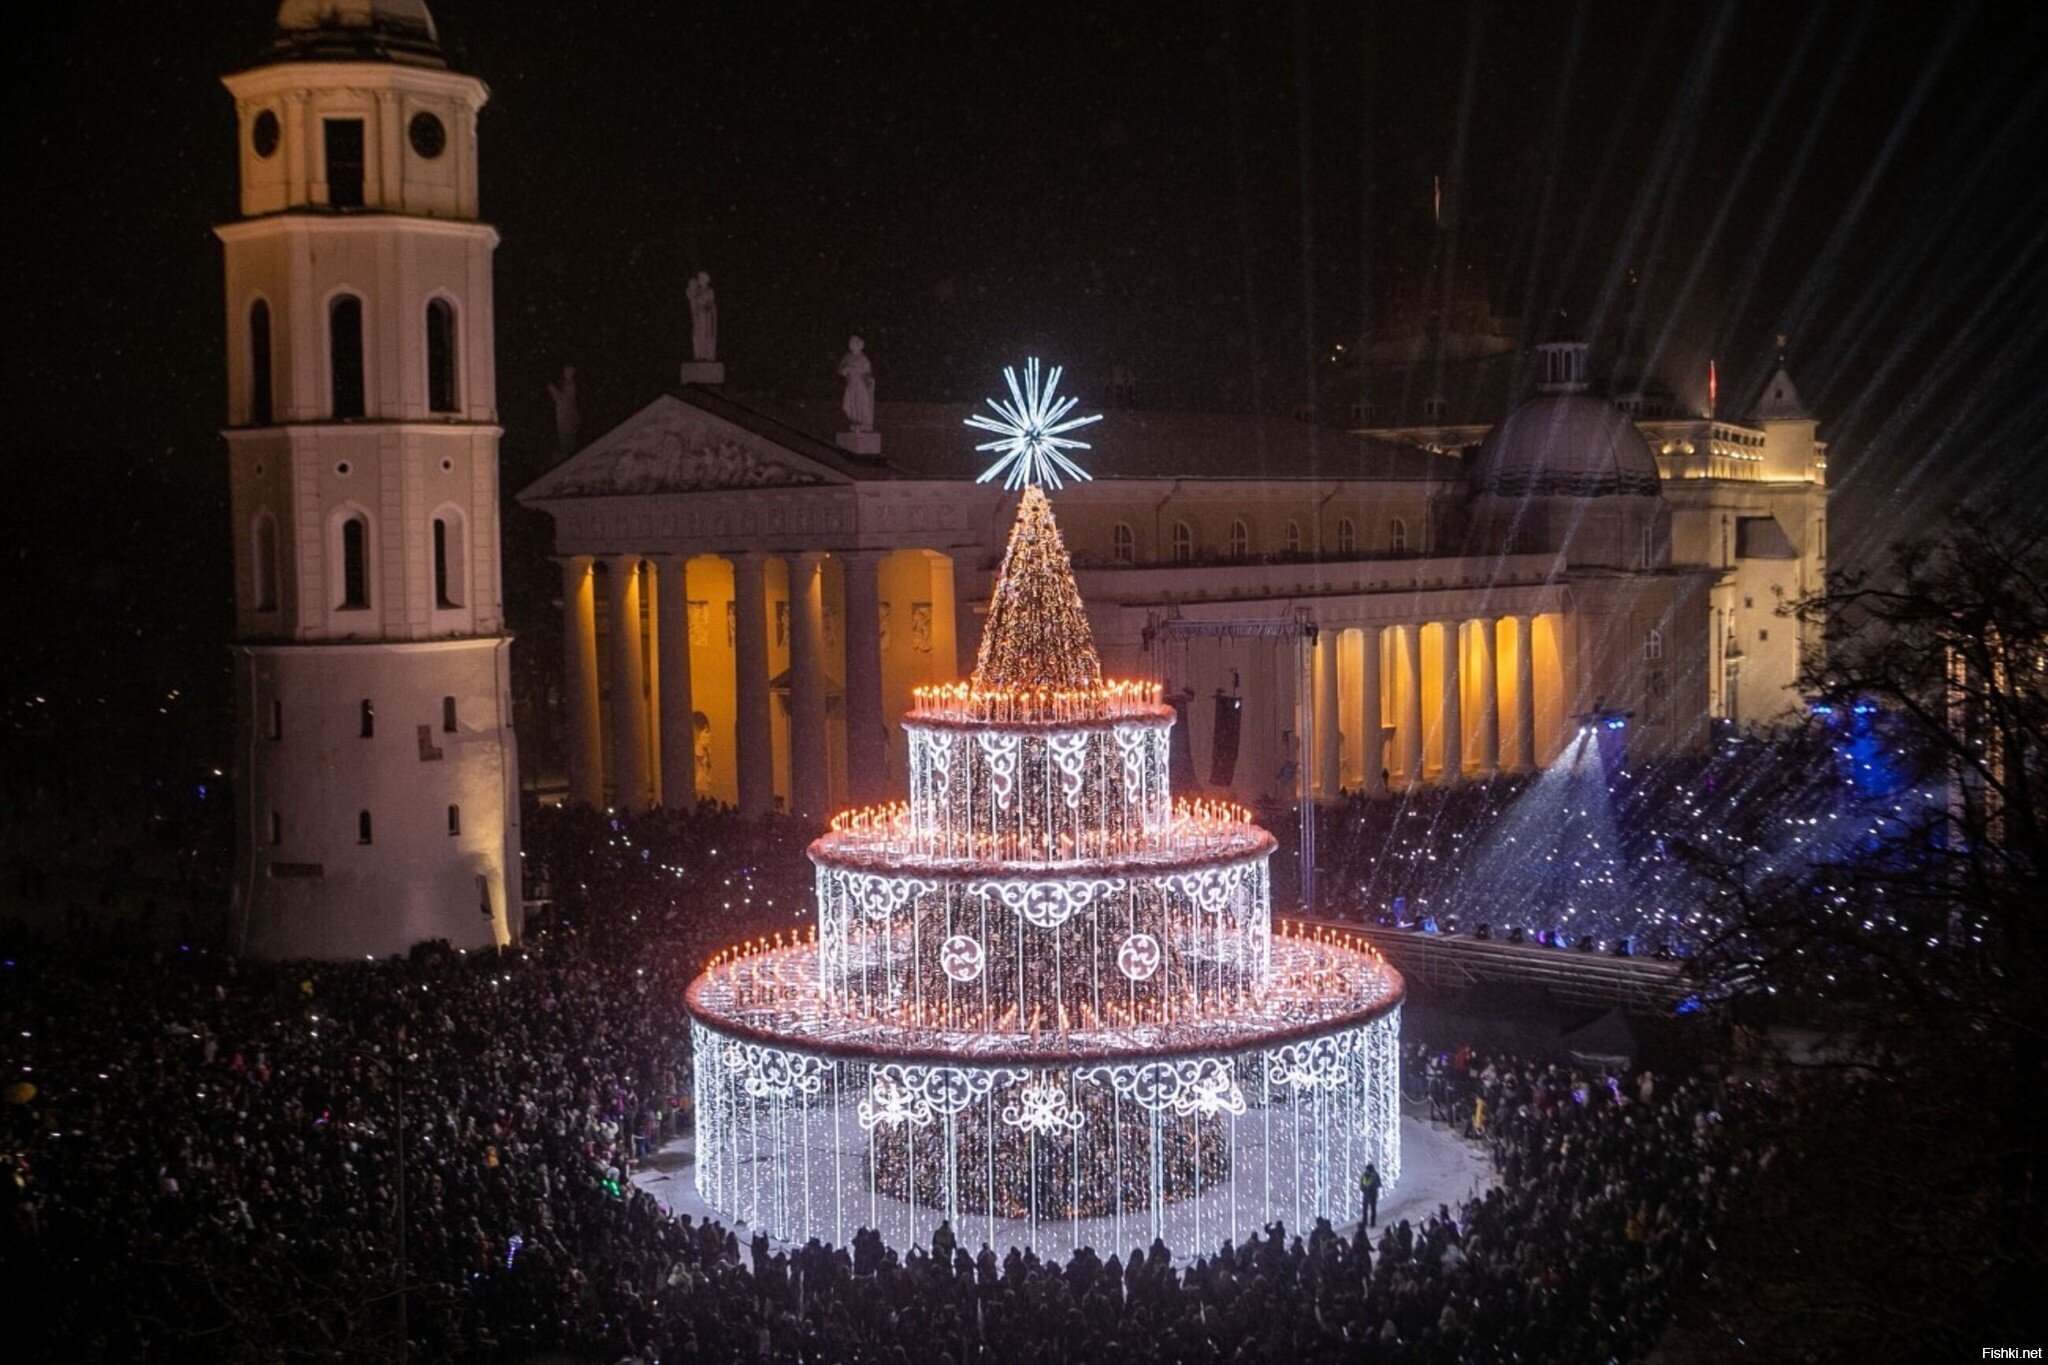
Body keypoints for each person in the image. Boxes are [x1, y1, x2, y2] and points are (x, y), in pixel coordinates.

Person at [1359, 1161, 1381, 1229]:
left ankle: (1366, 1222)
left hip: (1367, 1194)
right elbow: (1379, 1184)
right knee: (1372, 1209)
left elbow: (1361, 1186)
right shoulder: (1375, 1175)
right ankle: (1371, 1223)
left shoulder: (1364, 1176)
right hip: (1372, 1194)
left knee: (1366, 1209)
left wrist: (1365, 1190)